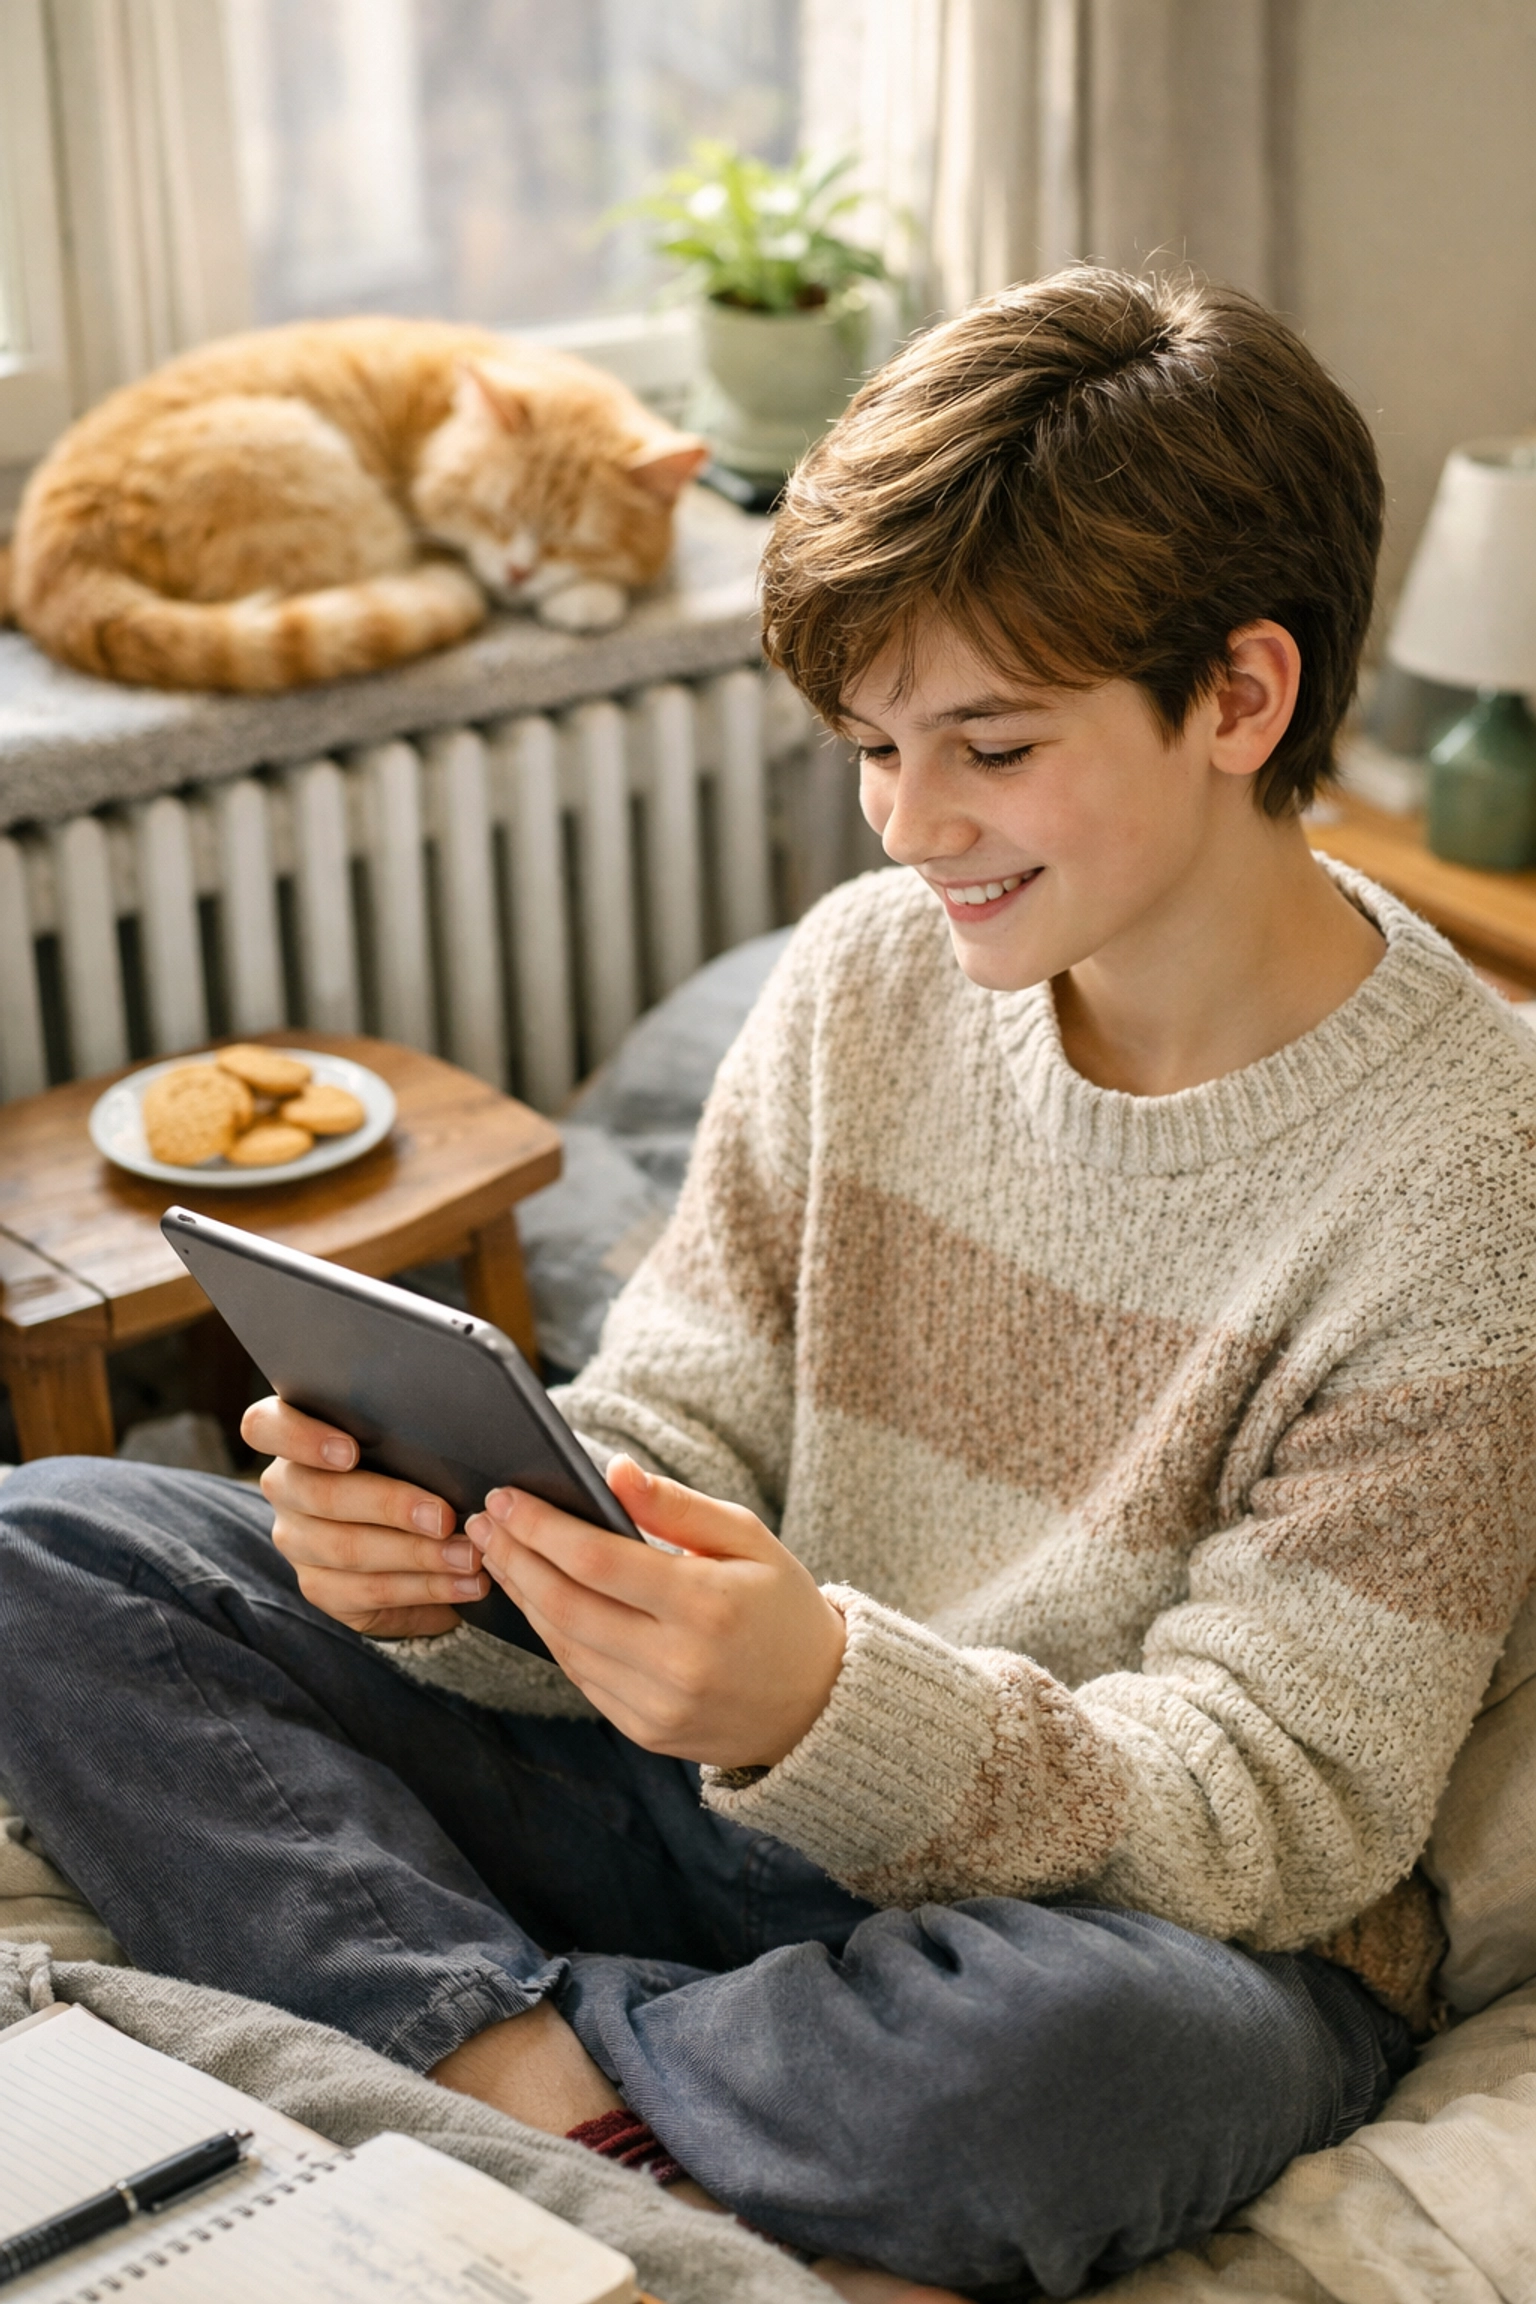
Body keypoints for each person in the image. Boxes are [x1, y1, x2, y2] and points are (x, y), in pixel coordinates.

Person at [3, 267, 1534, 2303]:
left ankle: (494, 2054)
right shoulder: (860, 976)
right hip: (717, 1783)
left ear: (1243, 697)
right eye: (872, 746)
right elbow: (673, 1423)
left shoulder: (1471, 1181)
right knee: (50, 1544)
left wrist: (827, 1700)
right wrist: (468, 1565)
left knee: (1097, 2068)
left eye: (991, 744)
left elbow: (1285, 1807)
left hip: (1133, 1927)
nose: (912, 825)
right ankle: (563, 2086)